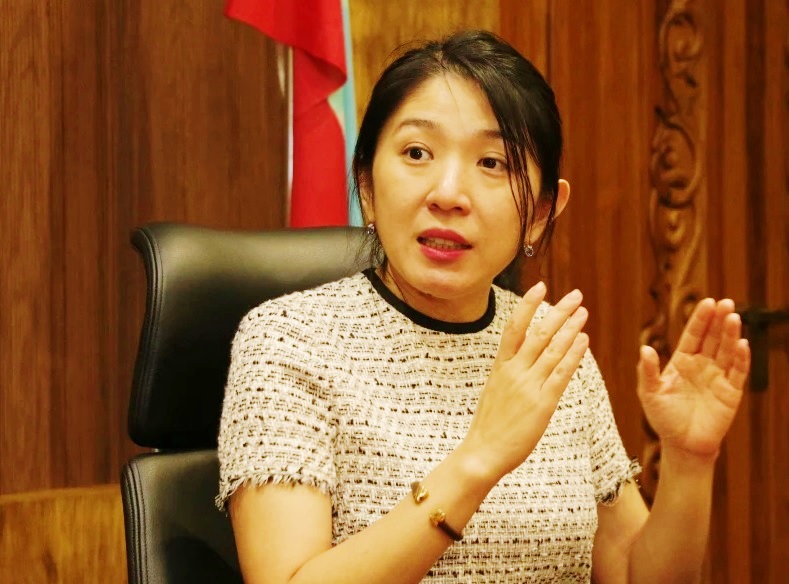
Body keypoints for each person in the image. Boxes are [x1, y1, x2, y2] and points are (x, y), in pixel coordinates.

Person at [216, 30, 751, 583]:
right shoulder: (289, 341)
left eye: (493, 162)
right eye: (417, 153)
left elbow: (636, 576)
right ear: (367, 185)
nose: (448, 193)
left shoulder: (548, 347)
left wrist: (689, 460)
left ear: (541, 213)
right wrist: (480, 456)